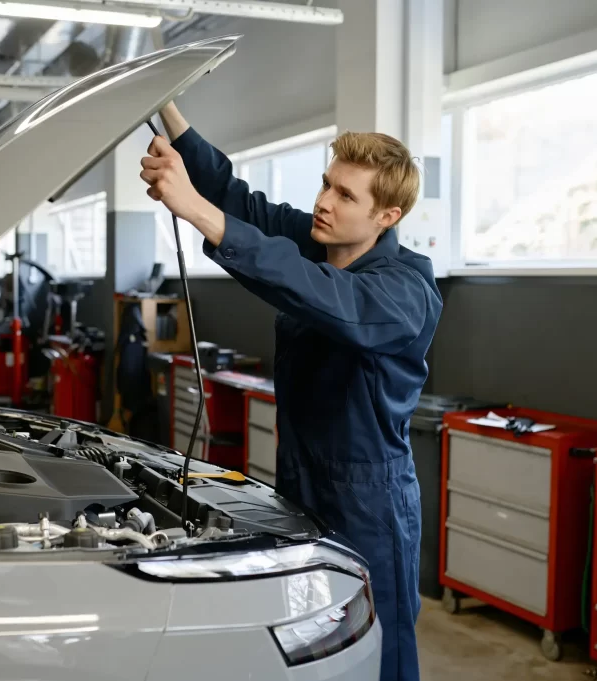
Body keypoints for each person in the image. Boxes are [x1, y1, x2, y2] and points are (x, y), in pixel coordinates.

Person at [140, 102, 442, 681]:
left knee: (381, 644)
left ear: (388, 214)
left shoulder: (406, 288)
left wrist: (194, 210)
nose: (324, 202)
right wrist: (168, 110)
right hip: (302, 476)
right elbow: (238, 198)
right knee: (312, 637)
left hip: (369, 498)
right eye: (327, 185)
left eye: (346, 196)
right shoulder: (319, 241)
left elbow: (327, 297)